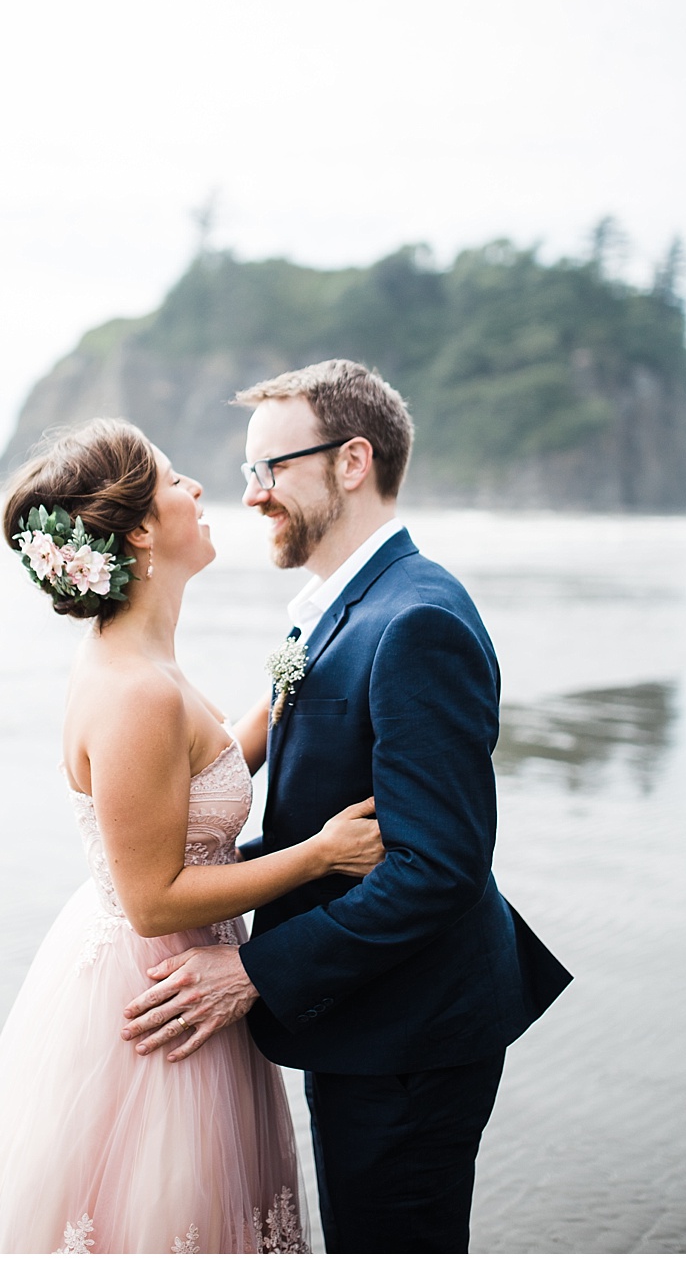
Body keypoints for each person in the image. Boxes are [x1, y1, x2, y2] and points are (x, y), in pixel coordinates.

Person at [122, 360, 573, 1254]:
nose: (253, 497)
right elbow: (310, 811)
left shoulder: (417, 622)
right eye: (250, 473)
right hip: (365, 1016)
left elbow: (435, 868)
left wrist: (254, 971)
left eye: (271, 469)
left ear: (353, 460)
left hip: (411, 1036)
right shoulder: (334, 609)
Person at [0, 418, 384, 1255]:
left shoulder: (141, 658)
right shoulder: (135, 691)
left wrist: (288, 682)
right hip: (156, 988)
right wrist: (317, 853)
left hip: (179, 964)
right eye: (176, 481)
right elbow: (153, 898)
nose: (200, 491)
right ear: (138, 529)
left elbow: (199, 780)